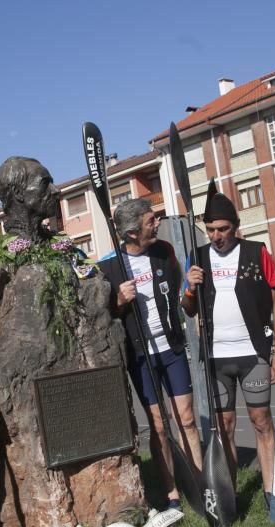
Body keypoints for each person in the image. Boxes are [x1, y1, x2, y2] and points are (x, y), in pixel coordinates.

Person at [181, 192, 275, 507]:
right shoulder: (196, 257)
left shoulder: (257, 252)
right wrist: (189, 288)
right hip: (215, 359)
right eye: (211, 229)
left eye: (223, 229)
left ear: (236, 227)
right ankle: (230, 498)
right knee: (224, 427)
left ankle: (273, 492)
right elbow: (188, 309)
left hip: (253, 353)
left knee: (261, 420)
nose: (217, 236)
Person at [99, 198, 203, 510]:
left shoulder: (164, 252)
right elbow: (104, 318)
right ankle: (172, 494)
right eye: (150, 221)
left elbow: (184, 301)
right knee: (158, 426)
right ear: (132, 233)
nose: (157, 224)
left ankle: (199, 483)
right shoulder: (108, 267)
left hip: (170, 348)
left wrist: (189, 291)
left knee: (186, 418)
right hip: (141, 356)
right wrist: (117, 299)